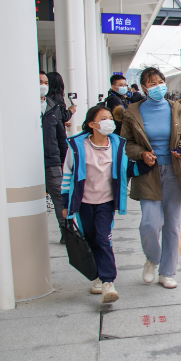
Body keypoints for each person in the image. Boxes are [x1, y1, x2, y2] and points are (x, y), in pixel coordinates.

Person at [61, 106, 150, 303]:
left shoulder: (118, 145)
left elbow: (128, 169)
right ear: (92, 124)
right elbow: (67, 175)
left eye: (110, 118)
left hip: (106, 203)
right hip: (83, 203)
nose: (109, 121)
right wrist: (65, 203)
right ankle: (97, 277)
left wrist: (146, 164)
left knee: (103, 238)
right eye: (103, 118)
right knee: (90, 238)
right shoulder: (76, 147)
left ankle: (108, 282)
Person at [121, 67, 181, 289]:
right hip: (148, 173)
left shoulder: (178, 109)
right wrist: (142, 154)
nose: (157, 86)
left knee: (172, 226)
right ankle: (153, 259)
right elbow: (126, 143)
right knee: (150, 224)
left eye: (160, 81)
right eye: (152, 83)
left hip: (174, 172)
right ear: (144, 87)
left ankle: (167, 272)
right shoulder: (132, 112)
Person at [41, 73, 69, 244]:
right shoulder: (22, 107)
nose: (43, 85)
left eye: (45, 82)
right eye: (39, 82)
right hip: (27, 164)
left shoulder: (53, 107)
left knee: (59, 198)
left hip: (51, 160)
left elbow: (61, 137)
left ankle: (67, 234)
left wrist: (65, 161)